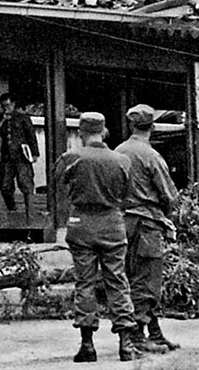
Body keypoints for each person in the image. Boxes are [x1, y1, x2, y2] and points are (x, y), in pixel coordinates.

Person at [54, 112, 141, 363]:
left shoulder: (71, 157)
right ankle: (126, 344)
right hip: (112, 223)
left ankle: (87, 344)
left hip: (81, 223)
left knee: (85, 282)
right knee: (117, 280)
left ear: (81, 132)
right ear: (103, 132)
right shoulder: (122, 160)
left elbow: (60, 183)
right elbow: (128, 193)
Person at [115, 104, 180, 353]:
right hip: (147, 223)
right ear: (152, 127)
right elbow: (169, 195)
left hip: (123, 223)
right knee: (148, 280)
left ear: (132, 125)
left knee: (131, 276)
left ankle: (154, 331)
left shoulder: (119, 151)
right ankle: (138, 336)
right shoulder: (151, 155)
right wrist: (168, 215)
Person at [0, 93, 40, 217]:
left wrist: (35, 153)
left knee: (26, 184)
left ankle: (30, 213)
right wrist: (2, 121)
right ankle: (12, 209)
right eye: (3, 106)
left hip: (21, 156)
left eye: (8, 105)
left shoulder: (22, 118)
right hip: (7, 157)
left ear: (13, 104)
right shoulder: (0, 118)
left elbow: (31, 135)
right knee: (5, 185)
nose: (6, 108)